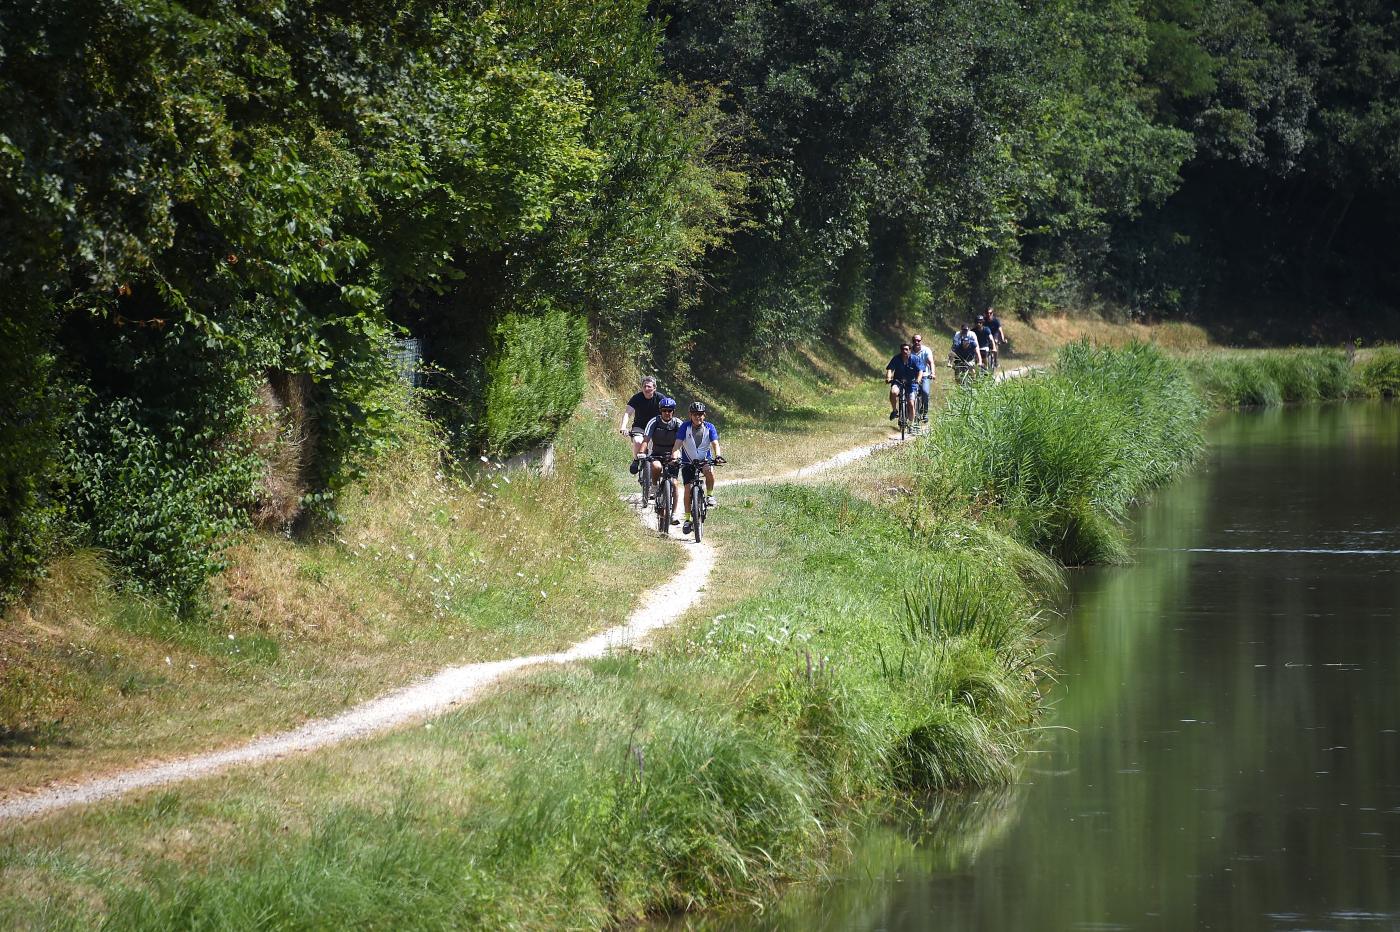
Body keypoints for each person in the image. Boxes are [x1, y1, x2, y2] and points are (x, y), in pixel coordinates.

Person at [677, 401, 722, 535]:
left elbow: (715, 443)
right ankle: (687, 519)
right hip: (687, 462)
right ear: (690, 415)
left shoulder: (710, 427)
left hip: (704, 460)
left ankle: (710, 495)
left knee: (708, 470)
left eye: (701, 414)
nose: (698, 417)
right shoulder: (685, 427)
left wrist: (718, 455)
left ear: (704, 415)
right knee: (687, 489)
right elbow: (677, 444)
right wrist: (674, 456)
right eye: (695, 414)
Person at [643, 396, 682, 524]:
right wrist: (641, 452)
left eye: (670, 410)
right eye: (664, 410)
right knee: (657, 467)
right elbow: (646, 440)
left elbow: (686, 441)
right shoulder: (654, 421)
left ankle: (674, 514)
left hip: (673, 454)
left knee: (675, 484)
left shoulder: (678, 423)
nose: (667, 413)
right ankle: (654, 486)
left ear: (673, 411)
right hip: (657, 453)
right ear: (660, 411)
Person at [619, 376, 661, 474]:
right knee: (638, 441)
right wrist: (623, 426)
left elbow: (668, 412)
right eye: (644, 386)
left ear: (654, 388)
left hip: (656, 428)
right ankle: (636, 460)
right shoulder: (636, 398)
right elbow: (627, 413)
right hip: (639, 427)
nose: (646, 389)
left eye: (649, 387)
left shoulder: (660, 398)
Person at [885, 342, 923, 423]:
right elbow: (890, 369)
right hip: (898, 381)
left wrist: (918, 380)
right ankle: (895, 411)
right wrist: (888, 377)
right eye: (902, 349)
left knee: (911, 403)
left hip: (911, 383)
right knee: (893, 392)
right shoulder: (896, 358)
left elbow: (920, 371)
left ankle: (911, 423)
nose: (904, 351)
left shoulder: (915, 359)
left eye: (906, 349)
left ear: (910, 350)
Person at [910, 333, 936, 420]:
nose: (916, 342)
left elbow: (931, 362)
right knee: (909, 394)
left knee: (925, 392)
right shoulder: (909, 351)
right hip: (913, 376)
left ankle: (925, 413)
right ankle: (910, 413)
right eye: (914, 340)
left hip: (925, 375)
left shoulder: (926, 350)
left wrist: (933, 373)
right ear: (912, 341)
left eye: (918, 340)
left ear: (921, 341)